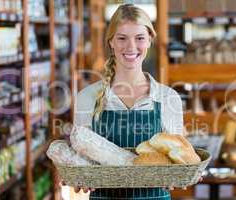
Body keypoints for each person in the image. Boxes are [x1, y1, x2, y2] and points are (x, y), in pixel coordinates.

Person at [73, 4, 183, 200]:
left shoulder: (168, 98)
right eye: (122, 38)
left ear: (150, 40)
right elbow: (81, 159)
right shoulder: (87, 97)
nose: (131, 47)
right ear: (111, 42)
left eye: (139, 38)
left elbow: (177, 157)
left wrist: (181, 174)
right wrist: (76, 175)